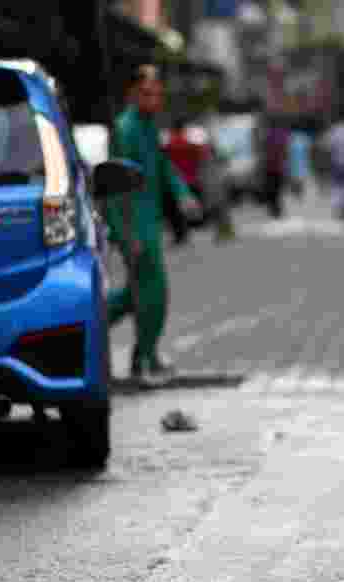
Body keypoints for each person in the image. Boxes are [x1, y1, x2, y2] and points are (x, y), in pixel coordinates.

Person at [105, 65, 202, 386]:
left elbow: (162, 167)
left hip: (149, 223)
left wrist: (183, 194)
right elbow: (112, 192)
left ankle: (136, 352)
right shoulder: (125, 129)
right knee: (153, 294)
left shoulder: (148, 128)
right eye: (147, 93)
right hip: (134, 226)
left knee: (139, 295)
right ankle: (143, 358)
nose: (154, 98)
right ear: (132, 94)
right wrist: (124, 234)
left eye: (158, 93)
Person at [162, 116, 208, 245]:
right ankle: (189, 229)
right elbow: (201, 156)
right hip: (191, 180)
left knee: (175, 211)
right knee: (188, 208)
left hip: (174, 182)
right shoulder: (190, 144)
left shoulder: (168, 145)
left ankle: (180, 234)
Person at [262, 115, 291, 218]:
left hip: (270, 167)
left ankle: (274, 209)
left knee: (272, 190)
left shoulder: (267, 135)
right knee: (277, 190)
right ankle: (276, 209)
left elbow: (264, 150)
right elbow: (286, 151)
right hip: (279, 167)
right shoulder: (283, 135)